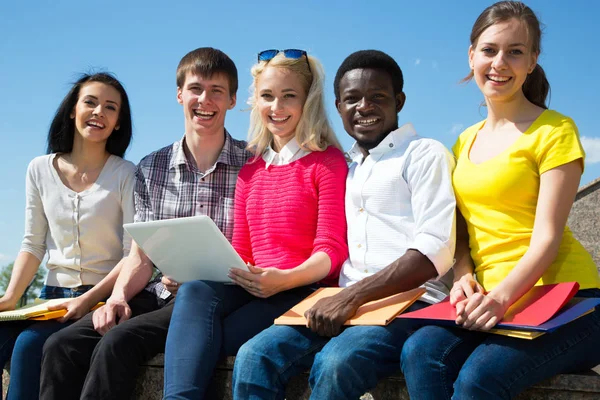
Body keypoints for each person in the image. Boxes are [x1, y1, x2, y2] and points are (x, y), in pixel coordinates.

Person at [400, 2, 600, 399]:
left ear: (533, 61)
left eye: (516, 51)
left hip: (568, 300)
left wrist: (500, 299)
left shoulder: (556, 131)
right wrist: (462, 275)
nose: (500, 62)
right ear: (471, 55)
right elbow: (462, 230)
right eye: (489, 50)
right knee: (420, 351)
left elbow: (547, 238)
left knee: (480, 378)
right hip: (490, 303)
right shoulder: (464, 140)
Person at [232, 49, 457, 400]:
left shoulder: (425, 154)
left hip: (410, 303)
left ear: (399, 100)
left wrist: (350, 297)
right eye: (352, 99)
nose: (364, 107)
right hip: (341, 302)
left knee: (336, 363)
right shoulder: (346, 167)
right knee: (253, 355)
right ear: (338, 106)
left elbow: (434, 253)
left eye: (377, 97)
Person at [39, 47, 252, 400]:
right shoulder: (151, 167)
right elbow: (140, 256)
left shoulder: (253, 162)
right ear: (179, 94)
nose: (205, 100)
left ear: (231, 100)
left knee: (119, 341)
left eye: (217, 91)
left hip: (217, 300)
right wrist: (118, 298)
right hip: (159, 293)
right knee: (62, 344)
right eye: (196, 89)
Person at [162, 49, 349, 399]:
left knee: (210, 341)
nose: (276, 107)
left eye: (288, 96)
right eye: (267, 96)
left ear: (307, 100)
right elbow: (242, 253)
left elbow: (332, 251)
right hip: (257, 289)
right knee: (194, 291)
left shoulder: (328, 162)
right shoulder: (250, 172)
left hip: (304, 290)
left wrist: (284, 279)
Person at [0, 72, 135, 400]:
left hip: (101, 298)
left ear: (118, 123)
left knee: (29, 344)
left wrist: (87, 301)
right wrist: (9, 298)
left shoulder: (126, 173)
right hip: (49, 300)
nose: (99, 111)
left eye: (110, 107)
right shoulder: (39, 169)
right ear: (72, 110)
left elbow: (133, 252)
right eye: (90, 102)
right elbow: (33, 243)